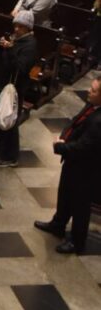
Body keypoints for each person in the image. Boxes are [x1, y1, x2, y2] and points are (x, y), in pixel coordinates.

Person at [34, 77, 101, 255]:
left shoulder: (99, 122)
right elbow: (75, 122)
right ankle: (58, 224)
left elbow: (84, 147)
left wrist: (60, 146)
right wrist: (63, 135)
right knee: (65, 193)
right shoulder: (91, 106)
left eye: (94, 91)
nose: (89, 91)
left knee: (80, 205)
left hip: (86, 169)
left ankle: (77, 242)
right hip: (74, 163)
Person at [0, 10, 38, 168]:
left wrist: (10, 49)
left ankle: (9, 156)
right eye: (15, 25)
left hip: (14, 89)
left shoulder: (30, 45)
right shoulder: (14, 38)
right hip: (1, 84)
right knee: (0, 117)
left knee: (9, 121)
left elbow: (22, 67)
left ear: (28, 28)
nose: (16, 29)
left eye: (21, 27)